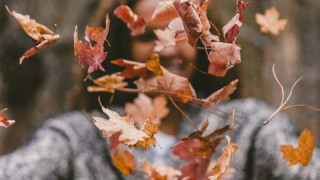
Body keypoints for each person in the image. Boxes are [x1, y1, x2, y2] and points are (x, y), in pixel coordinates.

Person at [0, 0, 319, 179]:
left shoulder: (248, 127)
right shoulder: (79, 138)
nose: (166, 50)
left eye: (181, 35)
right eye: (146, 37)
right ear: (120, 49)